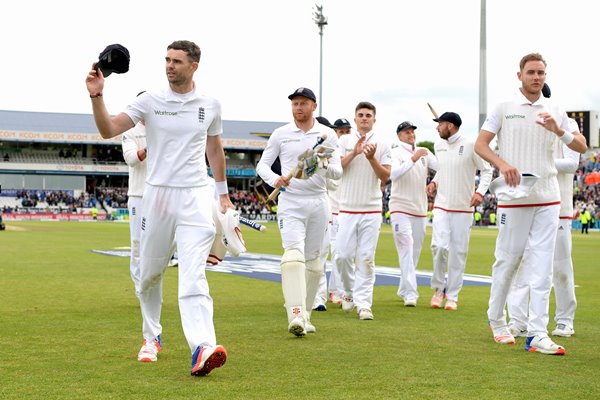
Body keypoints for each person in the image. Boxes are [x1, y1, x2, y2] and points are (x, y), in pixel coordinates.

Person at [86, 40, 232, 376]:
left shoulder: (210, 105)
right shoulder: (149, 101)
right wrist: (97, 96)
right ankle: (151, 337)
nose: (169, 66)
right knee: (149, 276)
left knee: (193, 276)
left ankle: (203, 347)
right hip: (157, 197)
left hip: (196, 195)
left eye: (177, 61)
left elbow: (215, 150)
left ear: (194, 65)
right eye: (167, 60)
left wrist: (222, 194)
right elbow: (108, 130)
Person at [475, 52, 587, 355]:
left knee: (541, 268)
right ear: (520, 75)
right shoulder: (504, 107)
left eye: (541, 73)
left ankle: (538, 333)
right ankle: (497, 321)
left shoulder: (555, 109)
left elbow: (582, 146)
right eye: (531, 72)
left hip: (549, 197)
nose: (536, 77)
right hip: (514, 198)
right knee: (508, 262)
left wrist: (559, 131)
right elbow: (480, 144)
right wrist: (503, 164)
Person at [256, 87, 342, 336]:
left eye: (304, 103)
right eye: (295, 103)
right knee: (293, 256)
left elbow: (338, 173)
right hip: (291, 202)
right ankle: (294, 314)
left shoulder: (327, 135)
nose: (298, 108)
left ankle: (306, 315)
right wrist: (275, 179)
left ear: (314, 106)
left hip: (318, 201)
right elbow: (262, 165)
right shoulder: (281, 134)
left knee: (314, 262)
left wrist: (324, 165)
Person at [507, 118, 581, 339]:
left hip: (558, 207)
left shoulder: (567, 123)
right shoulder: (522, 121)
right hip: (527, 203)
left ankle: (565, 320)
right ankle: (518, 321)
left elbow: (572, 163)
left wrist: (538, 164)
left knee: (560, 266)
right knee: (522, 265)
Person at [425, 112, 492, 311]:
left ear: (451, 126)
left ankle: (452, 295)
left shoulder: (471, 145)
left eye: (440, 124)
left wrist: (480, 192)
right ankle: (438, 290)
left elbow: (487, 170)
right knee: (439, 247)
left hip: (463, 208)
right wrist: (435, 181)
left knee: (458, 253)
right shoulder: (438, 145)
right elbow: (444, 168)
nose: (437, 128)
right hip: (441, 205)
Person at [336, 101, 392, 320]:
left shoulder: (383, 144)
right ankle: (348, 293)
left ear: (374, 119)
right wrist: (355, 153)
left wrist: (371, 158)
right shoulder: (344, 141)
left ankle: (364, 304)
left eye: (368, 115)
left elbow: (385, 176)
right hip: (347, 207)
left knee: (366, 258)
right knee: (342, 256)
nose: (364, 118)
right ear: (355, 118)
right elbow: (336, 168)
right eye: (361, 115)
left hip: (371, 208)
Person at [389, 121, 438, 307]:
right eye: (406, 132)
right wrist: (413, 159)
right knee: (406, 248)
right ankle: (411, 293)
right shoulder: (395, 152)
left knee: (414, 252)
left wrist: (434, 182)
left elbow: (443, 167)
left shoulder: (425, 151)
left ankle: (403, 288)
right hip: (400, 207)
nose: (411, 135)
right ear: (399, 135)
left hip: (419, 209)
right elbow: (393, 174)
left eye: (412, 132)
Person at [313, 117, 353, 310]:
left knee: (340, 254)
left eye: (347, 131)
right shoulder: (325, 152)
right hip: (326, 208)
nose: (344, 134)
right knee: (320, 253)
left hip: (344, 209)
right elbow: (330, 182)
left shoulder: (342, 151)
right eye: (340, 130)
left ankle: (336, 292)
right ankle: (319, 297)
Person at [121, 121, 147, 297]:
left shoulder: (163, 127)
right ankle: (140, 289)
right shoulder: (130, 132)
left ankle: (152, 282)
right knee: (137, 243)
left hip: (162, 194)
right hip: (138, 195)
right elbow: (131, 159)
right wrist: (149, 147)